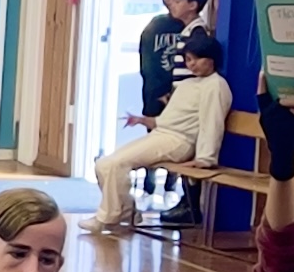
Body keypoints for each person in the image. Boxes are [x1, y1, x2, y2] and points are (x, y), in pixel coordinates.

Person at [95, 23, 229, 234]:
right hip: (162, 136)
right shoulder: (187, 85)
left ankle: (107, 218)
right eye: (188, 60)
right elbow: (167, 120)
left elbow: (212, 123)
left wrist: (206, 158)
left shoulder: (216, 85)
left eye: (197, 59)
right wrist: (142, 121)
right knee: (104, 164)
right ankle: (126, 211)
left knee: (115, 163)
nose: (192, 64)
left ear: (211, 59)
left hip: (178, 142)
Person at [134, 0, 208, 123]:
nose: (169, 0)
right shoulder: (156, 25)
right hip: (158, 98)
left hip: (182, 102)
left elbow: (197, 70)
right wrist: (159, 93)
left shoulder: (196, 31)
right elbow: (147, 64)